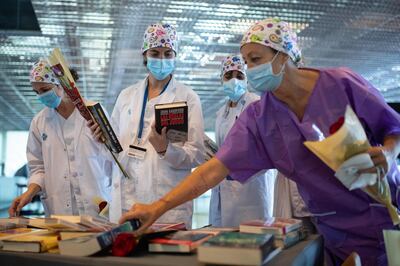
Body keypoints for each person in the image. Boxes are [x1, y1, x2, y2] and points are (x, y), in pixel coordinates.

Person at [119, 18, 400, 266]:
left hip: (386, 211)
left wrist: (389, 154)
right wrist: (157, 208)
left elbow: (393, 128)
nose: (249, 70)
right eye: (247, 62)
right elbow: (211, 171)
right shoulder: (260, 117)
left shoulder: (341, 83)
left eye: (255, 59)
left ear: (283, 55)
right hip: (334, 227)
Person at [105, 23, 204, 227]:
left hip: (167, 204)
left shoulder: (188, 97)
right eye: (155, 53)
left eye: (168, 53)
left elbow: (197, 154)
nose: (161, 59)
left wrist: (165, 150)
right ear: (145, 55)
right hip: (128, 199)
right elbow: (113, 147)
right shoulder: (126, 97)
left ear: (175, 56)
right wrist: (103, 139)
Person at [8, 59, 112, 218]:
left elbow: (115, 159)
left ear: (62, 85)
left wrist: (105, 145)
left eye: (45, 89)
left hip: (97, 205)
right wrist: (29, 192)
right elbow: (38, 168)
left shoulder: (94, 111)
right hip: (59, 211)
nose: (41, 96)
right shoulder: (39, 122)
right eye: (37, 92)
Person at [209, 55, 276, 227]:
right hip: (224, 186)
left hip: (251, 189)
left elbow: (268, 151)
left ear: (246, 79)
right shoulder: (221, 113)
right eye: (228, 76)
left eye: (239, 76)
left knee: (251, 240)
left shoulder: (256, 105)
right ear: (221, 79)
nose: (234, 80)